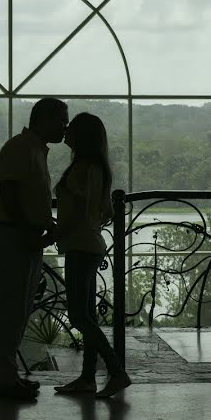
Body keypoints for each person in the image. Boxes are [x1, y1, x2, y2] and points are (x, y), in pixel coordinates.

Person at [0, 97, 68, 400]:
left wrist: (43, 227)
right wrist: (27, 231)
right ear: (43, 119)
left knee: (16, 310)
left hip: (19, 236)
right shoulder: (22, 148)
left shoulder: (31, 149)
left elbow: (21, 195)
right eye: (61, 120)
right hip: (13, 238)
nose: (65, 126)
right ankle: (5, 378)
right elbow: (9, 192)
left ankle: (5, 376)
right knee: (9, 310)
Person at [53, 112, 131, 398]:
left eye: (71, 126)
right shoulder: (95, 167)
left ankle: (116, 371)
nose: (66, 128)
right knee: (87, 316)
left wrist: (51, 235)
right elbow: (98, 212)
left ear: (82, 135)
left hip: (81, 246)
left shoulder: (84, 168)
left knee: (76, 315)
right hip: (89, 244)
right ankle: (87, 378)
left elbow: (78, 215)